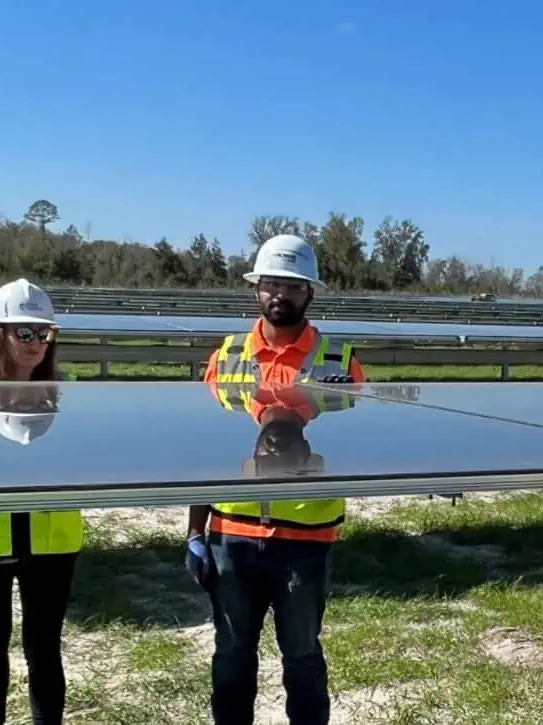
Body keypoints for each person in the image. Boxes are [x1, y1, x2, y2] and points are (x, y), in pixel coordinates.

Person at [186, 234, 366, 725]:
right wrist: (195, 532)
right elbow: (206, 448)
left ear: (310, 293)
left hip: (305, 539)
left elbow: (357, 443)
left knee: (303, 659)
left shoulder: (339, 360)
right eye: (270, 284)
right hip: (233, 533)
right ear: (255, 290)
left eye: (291, 285)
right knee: (231, 657)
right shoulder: (226, 357)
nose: (278, 295)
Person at [0, 278, 82, 725]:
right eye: (24, 333)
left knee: (44, 643)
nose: (36, 344)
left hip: (53, 538)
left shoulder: (71, 393)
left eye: (44, 333)